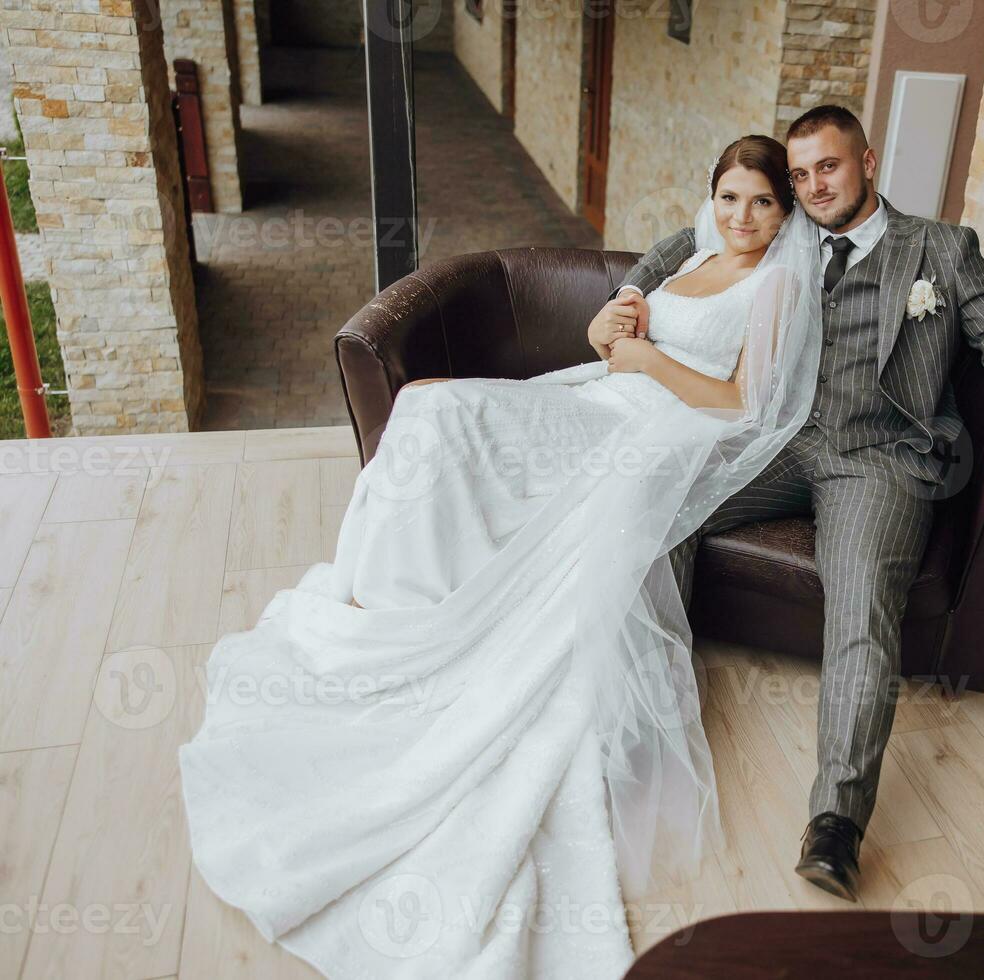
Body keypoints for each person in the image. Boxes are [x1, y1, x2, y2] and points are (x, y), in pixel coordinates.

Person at [178, 134, 824, 979]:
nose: (742, 216)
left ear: (784, 213)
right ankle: (399, 599)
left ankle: (415, 623)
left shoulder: (776, 282)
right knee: (422, 409)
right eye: (731, 197)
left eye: (763, 203)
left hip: (650, 430)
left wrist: (645, 357)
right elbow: (619, 337)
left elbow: (743, 402)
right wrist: (611, 331)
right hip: (607, 392)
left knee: (440, 418)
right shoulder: (695, 253)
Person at [613, 105, 984, 903]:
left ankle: (836, 820)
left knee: (863, 602)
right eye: (798, 176)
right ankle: (647, 716)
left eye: (826, 168)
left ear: (867, 161)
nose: (810, 187)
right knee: (663, 509)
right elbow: (681, 241)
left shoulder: (939, 248)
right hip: (779, 440)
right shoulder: (788, 220)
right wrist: (630, 293)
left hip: (878, 457)